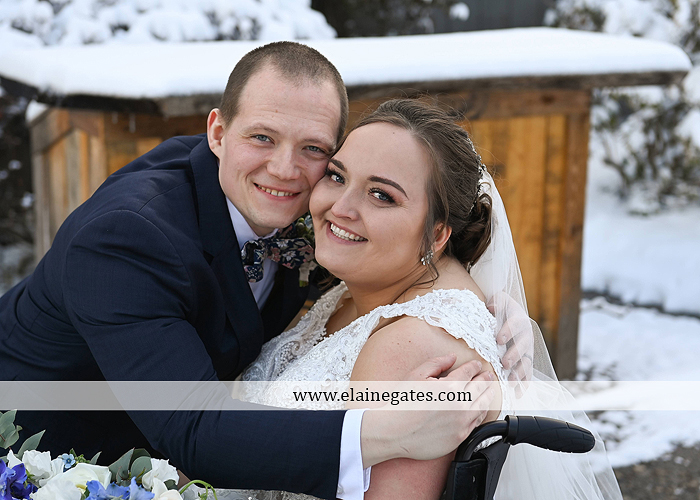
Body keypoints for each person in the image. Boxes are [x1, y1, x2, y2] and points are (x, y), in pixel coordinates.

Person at [0, 42, 502, 500]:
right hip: (38, 464)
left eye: (313, 150)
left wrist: (488, 313)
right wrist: (389, 432)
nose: (284, 169)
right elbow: (192, 429)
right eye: (262, 137)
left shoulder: (312, 212)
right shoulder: (125, 239)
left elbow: (412, 257)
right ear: (218, 133)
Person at [228, 99, 624, 500]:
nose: (339, 208)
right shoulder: (368, 282)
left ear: (437, 234)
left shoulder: (408, 348)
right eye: (336, 176)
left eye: (381, 195)